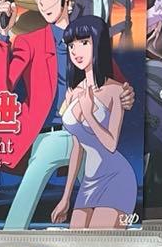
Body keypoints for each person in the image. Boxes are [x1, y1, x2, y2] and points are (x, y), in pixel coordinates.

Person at [0, 0, 134, 229]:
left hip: (90, 135)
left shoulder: (89, 35)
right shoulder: (29, 42)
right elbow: (3, 92)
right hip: (50, 137)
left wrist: (126, 95)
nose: (43, 1)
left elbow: (118, 83)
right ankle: (11, 235)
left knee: (103, 200)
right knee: (28, 192)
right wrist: (4, 35)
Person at [51, 15, 137, 228]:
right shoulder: (74, 92)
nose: (75, 51)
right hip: (89, 182)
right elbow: (77, 147)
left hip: (117, 178)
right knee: (76, 239)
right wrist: (65, 197)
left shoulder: (115, 91)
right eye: (71, 45)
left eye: (84, 42)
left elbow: (111, 144)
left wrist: (89, 115)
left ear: (98, 44)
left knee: (101, 241)